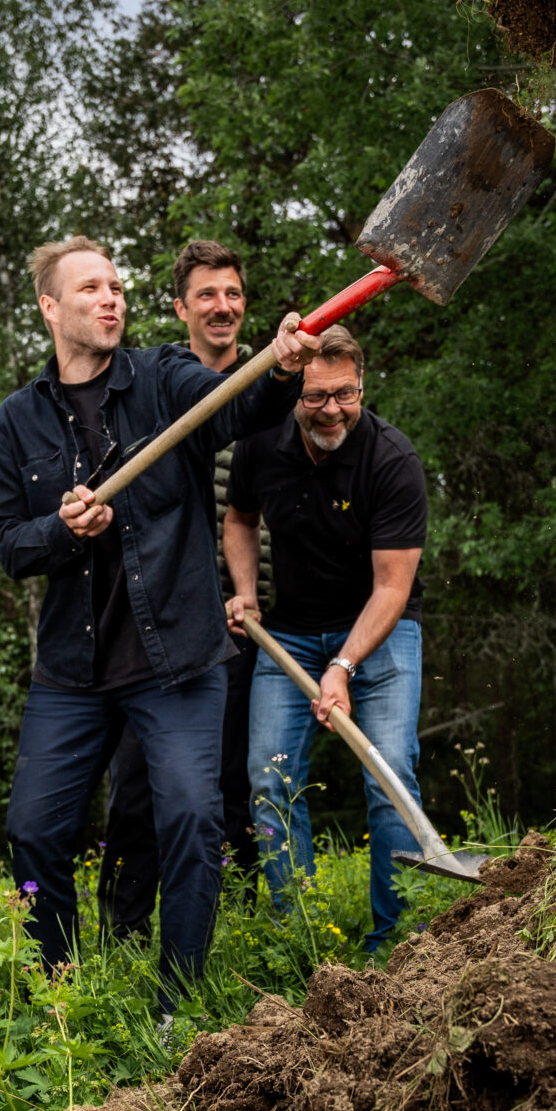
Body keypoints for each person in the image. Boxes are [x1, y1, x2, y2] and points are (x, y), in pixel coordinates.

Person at [0, 234, 320, 1012]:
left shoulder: (165, 377)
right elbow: (9, 541)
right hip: (74, 671)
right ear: (49, 308)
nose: (111, 298)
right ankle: (61, 991)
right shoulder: (18, 421)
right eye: (91, 289)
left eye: (116, 286)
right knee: (34, 829)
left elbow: (236, 404)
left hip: (177, 659)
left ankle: (176, 1003)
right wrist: (64, 530)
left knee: (192, 818)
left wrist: (281, 365)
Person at [224, 326, 429, 952]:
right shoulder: (260, 444)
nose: (333, 409)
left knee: (388, 769)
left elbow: (392, 589)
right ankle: (299, 934)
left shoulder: (393, 461)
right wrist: (246, 588)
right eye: (317, 397)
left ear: (361, 386)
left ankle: (393, 942)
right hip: (287, 632)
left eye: (346, 394)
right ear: (295, 395)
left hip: (379, 629)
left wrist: (343, 663)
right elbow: (239, 518)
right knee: (268, 778)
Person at [97, 239, 267, 935]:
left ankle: (245, 920)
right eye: (207, 295)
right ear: (180, 307)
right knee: (137, 783)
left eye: (232, 293)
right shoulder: (151, 389)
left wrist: (252, 595)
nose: (222, 306)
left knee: (237, 779)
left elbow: (261, 513)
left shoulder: (271, 388)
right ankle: (124, 930)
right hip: (165, 624)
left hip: (254, 621)